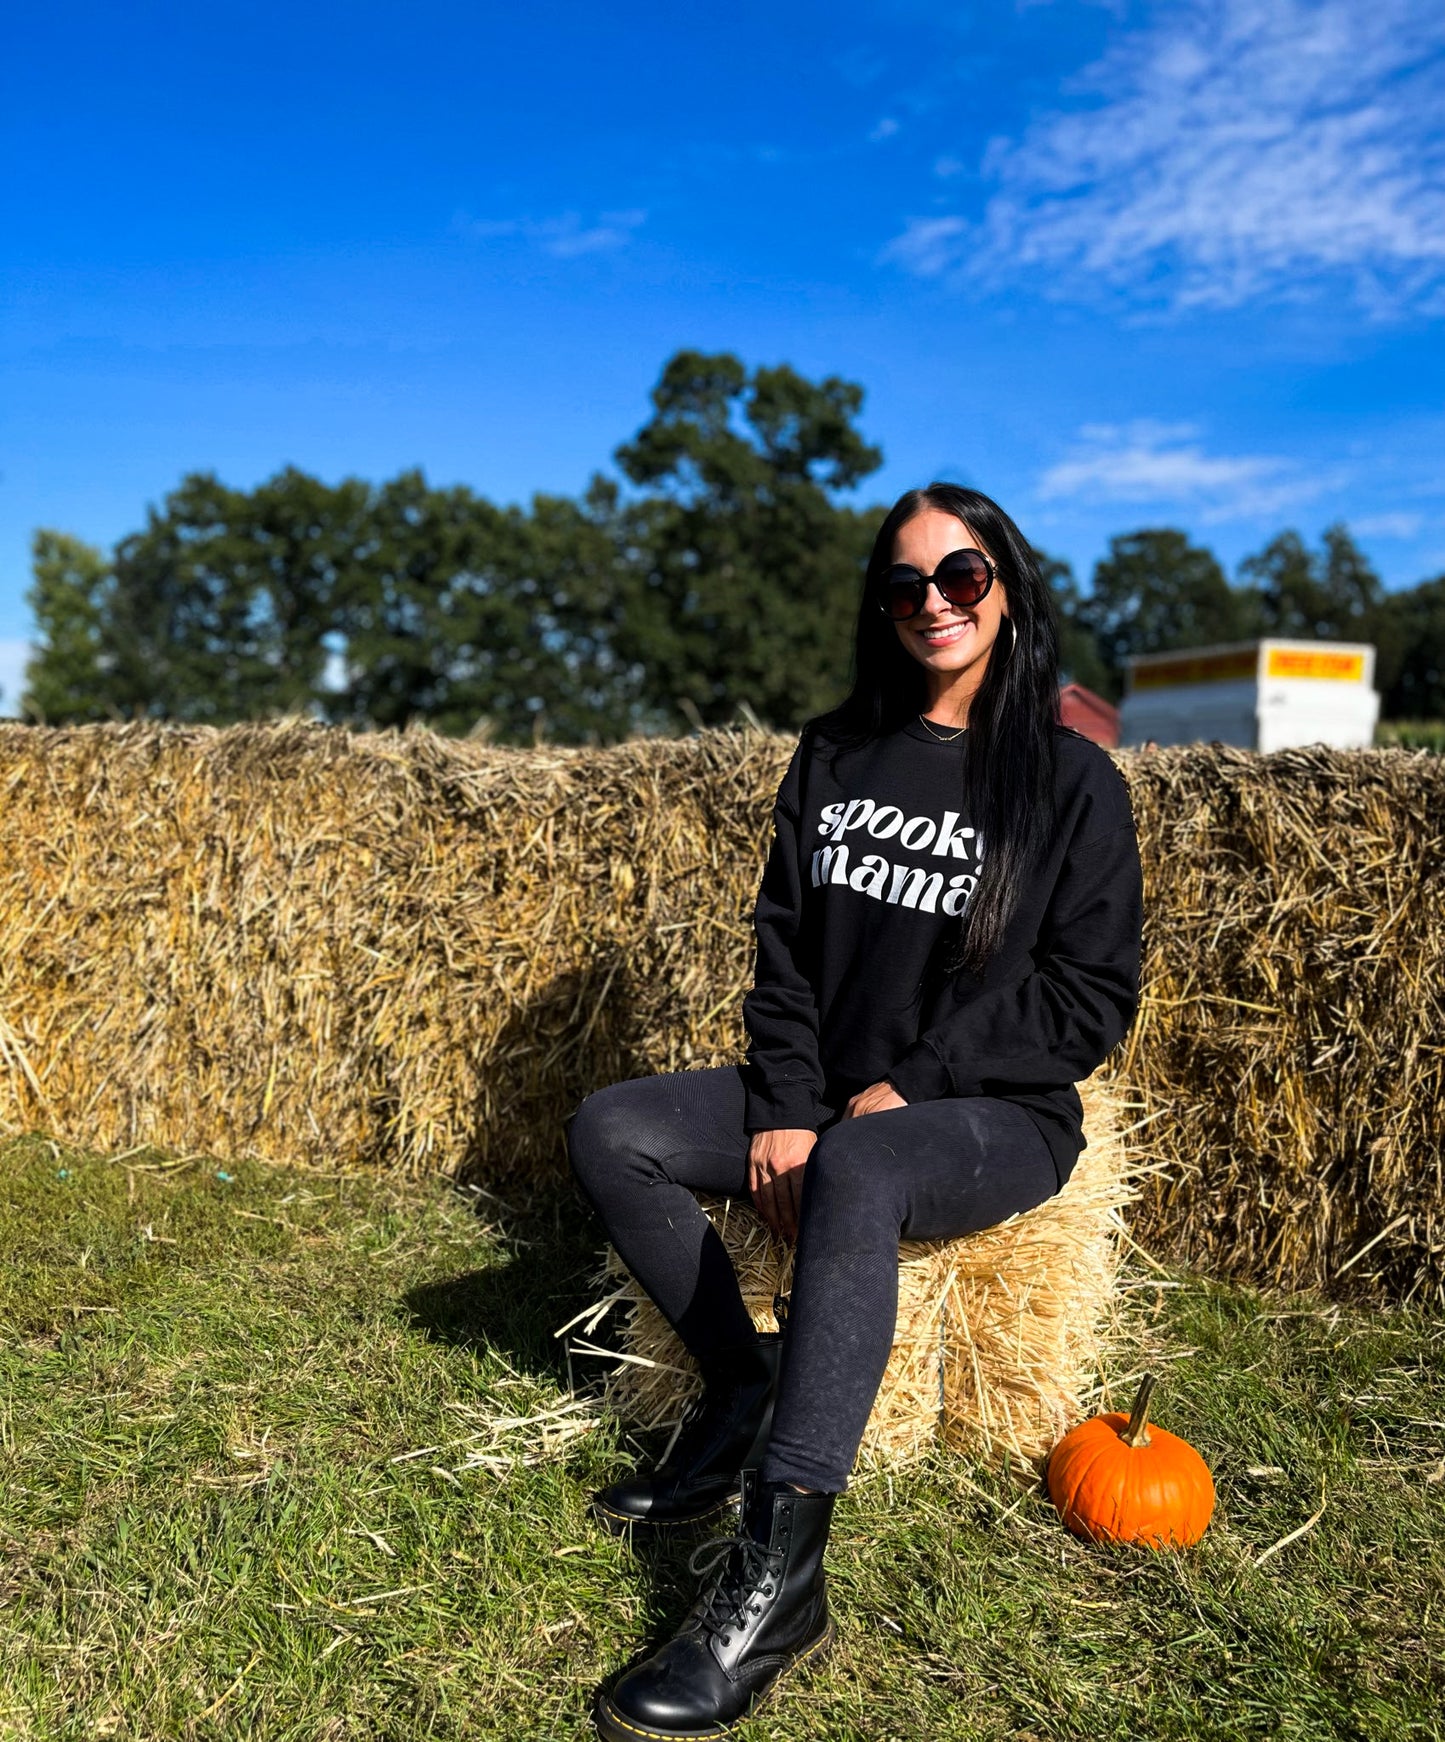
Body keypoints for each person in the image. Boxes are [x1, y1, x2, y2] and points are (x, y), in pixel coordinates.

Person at [565, 483, 1144, 1742]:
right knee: (614, 1129)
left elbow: (1090, 996)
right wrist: (782, 1099)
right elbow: (780, 951)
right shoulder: (832, 754)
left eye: (961, 575)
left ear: (1007, 587)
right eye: (904, 583)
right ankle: (735, 1386)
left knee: (862, 1165)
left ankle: (776, 1576)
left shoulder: (1068, 780)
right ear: (878, 606)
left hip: (986, 1113)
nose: (932, 601)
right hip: (826, 1092)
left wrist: (907, 1083)